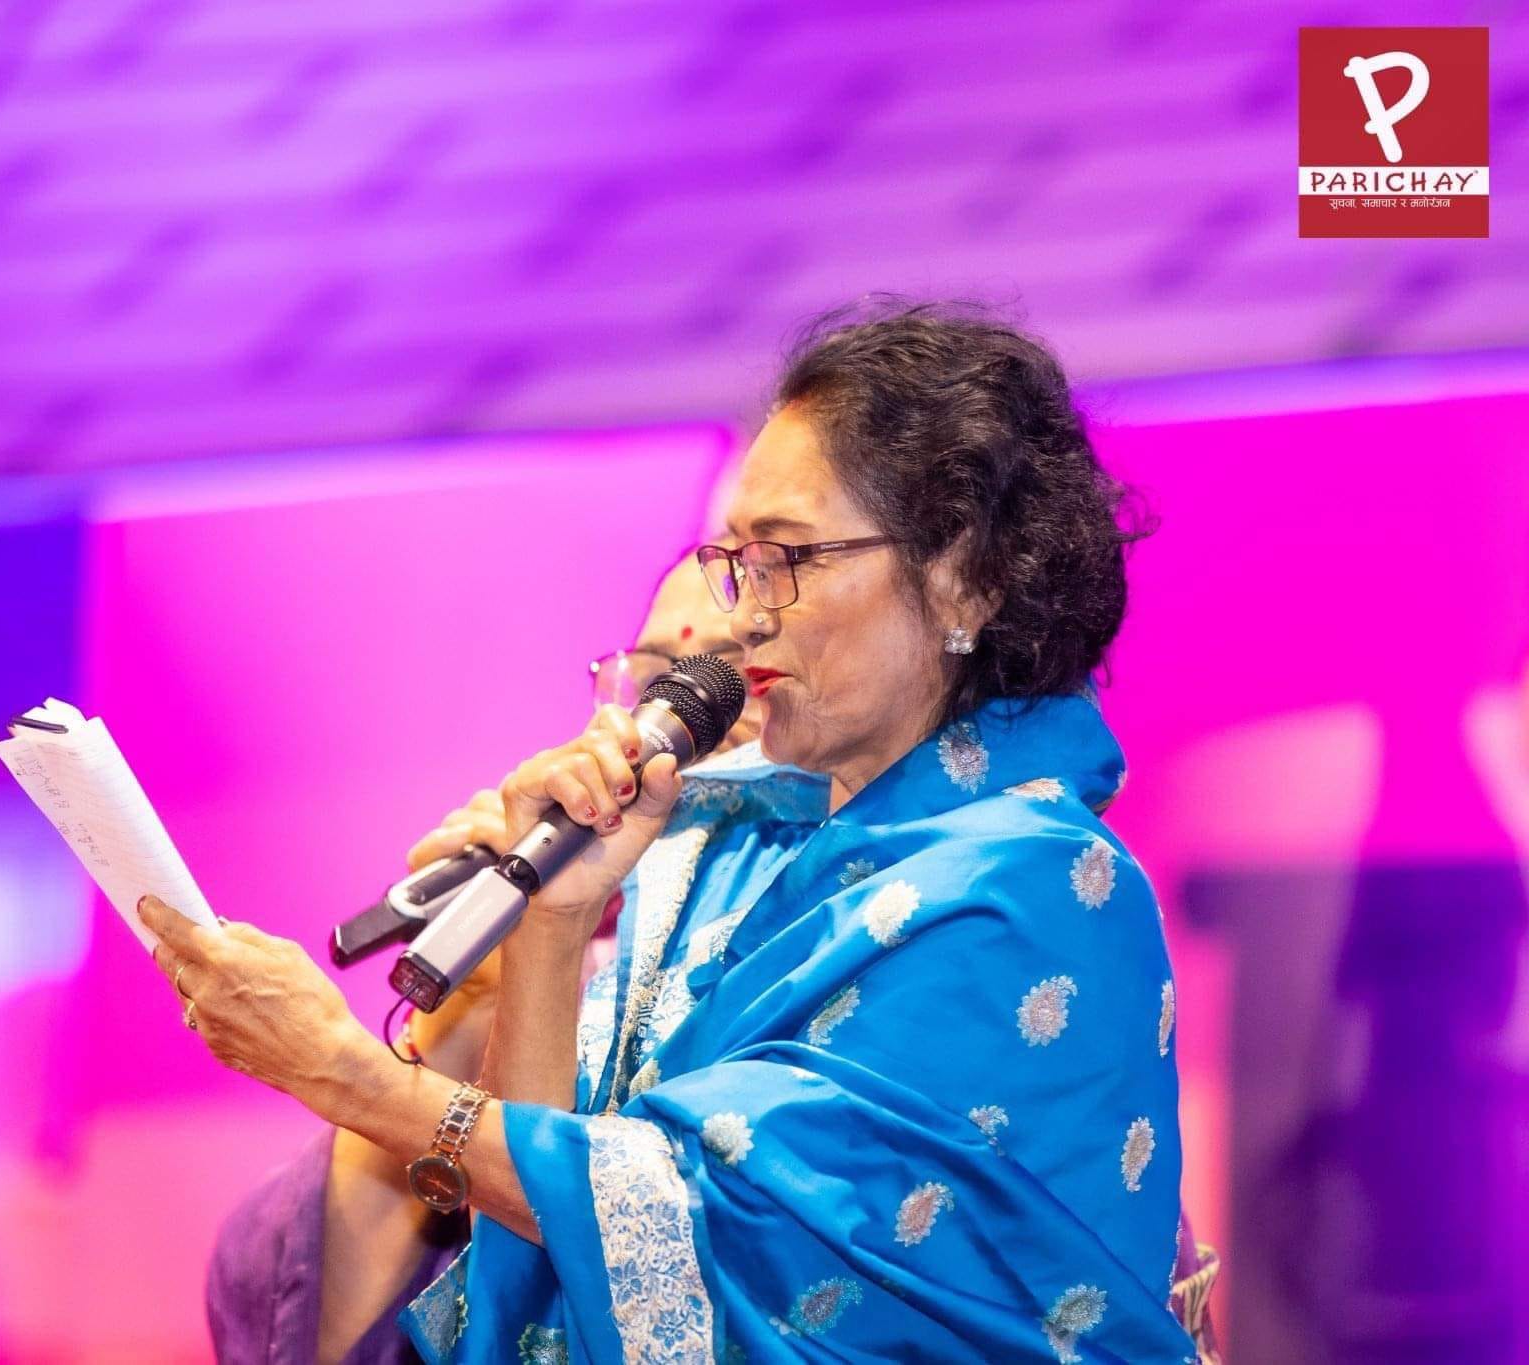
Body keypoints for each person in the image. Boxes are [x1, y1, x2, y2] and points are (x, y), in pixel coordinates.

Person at [145, 300, 1198, 1361]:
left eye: (787, 557)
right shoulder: (730, 863)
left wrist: (343, 1073)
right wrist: (551, 926)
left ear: (962, 573)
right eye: (740, 560)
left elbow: (702, 1223)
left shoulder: (1034, 886)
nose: (744, 615)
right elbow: (554, 1262)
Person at [203, 554, 753, 1365]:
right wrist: (479, 997)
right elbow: (295, 1317)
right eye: (654, 681)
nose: (665, 724)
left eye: (720, 687)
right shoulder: (576, 935)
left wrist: (338, 1067)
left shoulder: (795, 959)